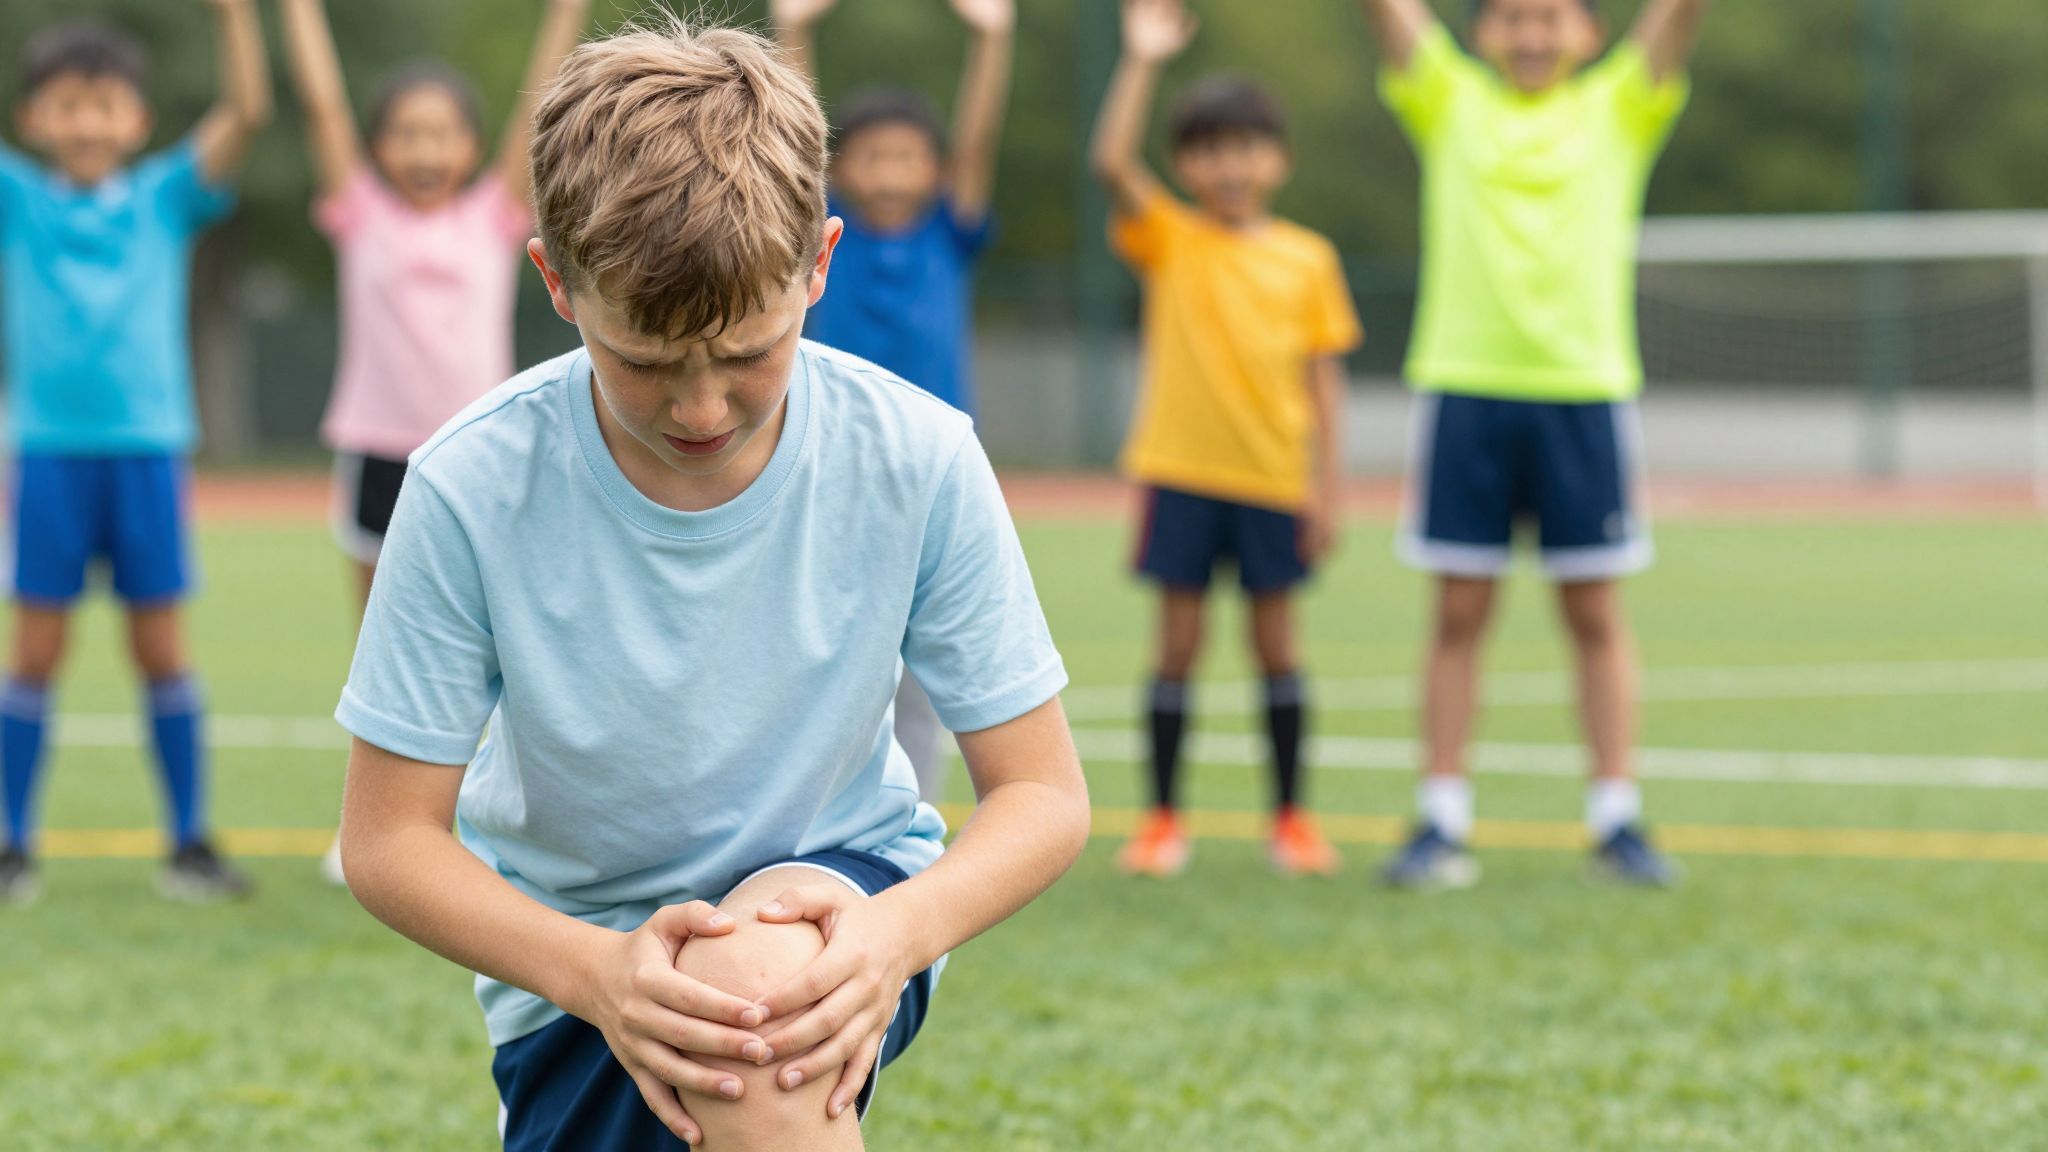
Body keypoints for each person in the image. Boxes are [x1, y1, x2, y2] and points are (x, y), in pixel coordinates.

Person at [332, 16, 1087, 1150]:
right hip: (569, 959)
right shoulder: (468, 485)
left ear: (819, 263)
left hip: (849, 897)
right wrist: (598, 973)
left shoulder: (916, 455)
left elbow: (1042, 795)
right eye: (640, 360)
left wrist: (895, 936)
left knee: (755, 1012)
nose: (699, 408)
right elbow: (389, 842)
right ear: (556, 280)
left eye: (747, 354)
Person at [1357, 0, 1711, 889]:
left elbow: (1679, 18)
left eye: (1552, 17)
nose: (1532, 34)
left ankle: (1615, 817)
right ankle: (1441, 818)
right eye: (1513, 17)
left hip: (1583, 392)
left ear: (1589, 35)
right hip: (1466, 385)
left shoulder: (1621, 104)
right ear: (1481, 34)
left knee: (1594, 614)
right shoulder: (1449, 99)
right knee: (1458, 613)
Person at [280, 0, 591, 888]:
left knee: (507, 643)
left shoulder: (497, 212)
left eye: (442, 133)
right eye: (406, 134)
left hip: (479, 459)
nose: (423, 151)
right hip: (379, 453)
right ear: (379, 148)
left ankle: (493, 826)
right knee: (381, 645)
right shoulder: (360, 211)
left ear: (469, 144)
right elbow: (323, 107)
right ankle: (369, 831)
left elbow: (538, 106)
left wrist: (566, 13)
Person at [0, 2, 271, 905]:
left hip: (147, 455)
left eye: (105, 103)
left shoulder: (163, 196)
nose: (86, 121)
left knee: (161, 651)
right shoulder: (19, 198)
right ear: (32, 118)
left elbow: (247, 112)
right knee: (34, 653)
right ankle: (12, 846)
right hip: (48, 456)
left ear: (138, 120)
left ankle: (189, 844)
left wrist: (236, 18)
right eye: (67, 104)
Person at [1091, 0, 1363, 878]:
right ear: (1187, 164)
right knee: (1175, 648)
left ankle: (1291, 820)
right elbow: (1108, 161)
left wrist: (1331, 488)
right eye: (1209, 149)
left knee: (1278, 649)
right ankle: (1163, 821)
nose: (1230, 165)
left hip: (1275, 481)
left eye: (1247, 147)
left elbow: (1325, 381)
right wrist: (1140, 59)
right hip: (1181, 473)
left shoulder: (1308, 258)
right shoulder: (1172, 236)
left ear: (1278, 159)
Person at [772, 0, 1016, 808]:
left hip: (926, 473)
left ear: (934, 170)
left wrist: (993, 36)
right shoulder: (824, 228)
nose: (887, 172)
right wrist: (794, 31)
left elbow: (979, 141)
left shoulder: (948, 229)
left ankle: (911, 819)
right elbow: (795, 144)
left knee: (920, 669)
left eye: (907, 157)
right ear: (844, 170)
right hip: (827, 459)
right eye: (871, 157)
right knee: (820, 651)